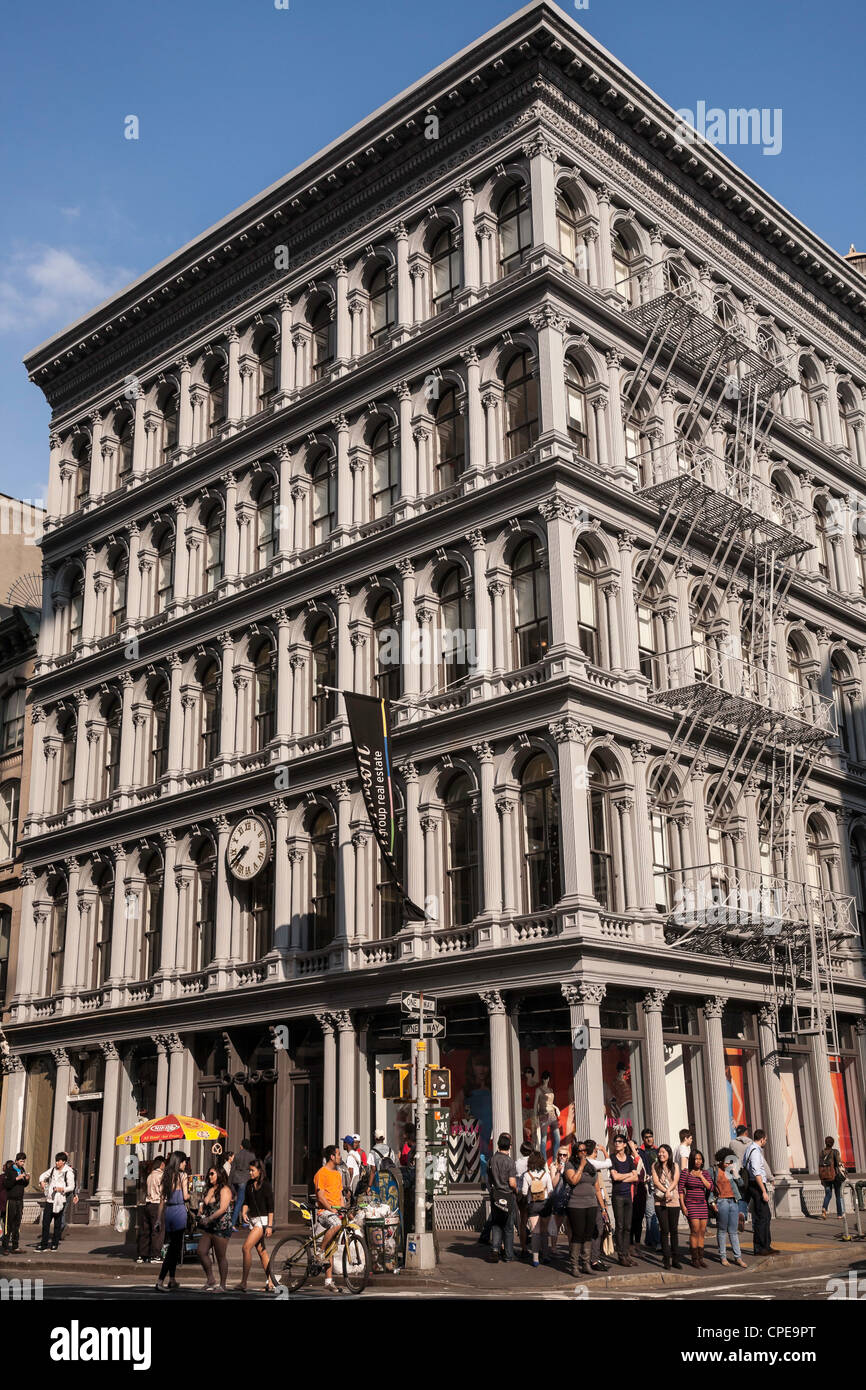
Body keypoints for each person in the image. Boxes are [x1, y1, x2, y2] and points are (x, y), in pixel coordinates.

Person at [564, 1140, 606, 1276]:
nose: (584, 1153)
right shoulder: (570, 1165)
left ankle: (586, 1264)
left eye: (585, 1151)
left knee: (588, 1234)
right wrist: (581, 1167)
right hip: (576, 1204)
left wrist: (603, 1207)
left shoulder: (592, 1166)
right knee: (578, 1235)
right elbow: (573, 1180)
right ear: (576, 1153)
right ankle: (574, 1266)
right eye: (581, 1151)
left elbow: (597, 1188)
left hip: (591, 1204)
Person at [237, 1157, 275, 1292]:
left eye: (252, 1170)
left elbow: (271, 1207)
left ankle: (243, 1282)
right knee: (261, 1251)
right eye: (249, 1170)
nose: (250, 1173)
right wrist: (244, 1212)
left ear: (259, 1170)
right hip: (253, 1220)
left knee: (246, 1247)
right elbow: (246, 1202)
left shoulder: (265, 1185)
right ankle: (271, 1281)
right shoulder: (249, 1184)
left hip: (262, 1221)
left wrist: (269, 1226)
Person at [155, 1151, 189, 1291]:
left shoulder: (167, 1176)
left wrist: (158, 1219)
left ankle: (172, 1279)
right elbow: (186, 1196)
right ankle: (160, 1280)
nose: (185, 1164)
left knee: (173, 1247)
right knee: (174, 1249)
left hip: (168, 1213)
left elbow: (162, 1200)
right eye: (184, 1161)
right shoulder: (183, 1176)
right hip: (179, 1212)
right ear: (179, 1162)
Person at [196, 1163, 233, 1291]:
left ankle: (222, 1285)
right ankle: (211, 1279)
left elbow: (223, 1209)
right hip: (209, 1226)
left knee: (220, 1256)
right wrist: (201, 1209)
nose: (209, 1176)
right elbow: (204, 1202)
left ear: (219, 1175)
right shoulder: (210, 1189)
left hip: (221, 1227)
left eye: (212, 1174)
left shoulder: (225, 1190)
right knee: (201, 1251)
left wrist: (209, 1218)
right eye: (209, 1174)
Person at [313, 1144, 346, 1293]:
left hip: (335, 1212)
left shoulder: (338, 1174)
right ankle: (320, 1251)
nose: (340, 1157)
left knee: (332, 1246)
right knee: (336, 1224)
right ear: (332, 1157)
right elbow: (320, 1196)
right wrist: (330, 1208)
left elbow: (340, 1195)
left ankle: (328, 1281)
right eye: (338, 1154)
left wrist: (345, 1209)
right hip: (324, 1212)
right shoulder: (322, 1173)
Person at [742, 1129, 778, 1255]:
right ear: (762, 1139)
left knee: (764, 1216)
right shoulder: (755, 1152)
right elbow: (757, 1173)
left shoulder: (750, 1149)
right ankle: (761, 1247)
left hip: (754, 1185)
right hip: (757, 1185)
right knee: (763, 1217)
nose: (765, 1142)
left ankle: (765, 1245)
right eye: (765, 1140)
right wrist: (763, 1191)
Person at [678, 1149, 714, 1267]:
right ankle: (694, 1259)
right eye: (696, 1159)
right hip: (691, 1203)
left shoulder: (705, 1173)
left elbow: (710, 1187)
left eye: (700, 1159)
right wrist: (683, 1206)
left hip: (702, 1204)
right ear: (692, 1160)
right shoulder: (686, 1172)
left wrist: (701, 1177)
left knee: (702, 1231)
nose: (698, 1161)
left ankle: (700, 1258)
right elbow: (680, 1189)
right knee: (695, 1229)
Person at [486, 1132, 518, 1264]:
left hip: (495, 1194)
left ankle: (495, 1249)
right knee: (508, 1226)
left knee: (496, 1223)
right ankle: (509, 1254)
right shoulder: (509, 1162)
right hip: (507, 1195)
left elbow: (488, 1179)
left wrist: (492, 1190)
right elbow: (512, 1182)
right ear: (509, 1147)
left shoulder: (492, 1160)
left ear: (498, 1145)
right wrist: (516, 1190)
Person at [609, 1134, 640, 1266]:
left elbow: (636, 1177)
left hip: (628, 1195)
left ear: (624, 1144)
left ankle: (627, 1254)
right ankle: (621, 1255)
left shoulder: (629, 1159)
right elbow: (614, 1177)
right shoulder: (612, 1159)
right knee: (620, 1225)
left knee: (628, 1227)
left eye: (620, 1141)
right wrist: (628, 1175)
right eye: (615, 1141)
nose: (617, 1143)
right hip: (617, 1196)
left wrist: (623, 1177)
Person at [714, 1148, 747, 1268]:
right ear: (721, 1160)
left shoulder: (730, 1171)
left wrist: (736, 1174)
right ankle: (723, 1257)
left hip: (733, 1201)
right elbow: (710, 1188)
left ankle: (738, 1257)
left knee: (733, 1231)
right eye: (726, 1161)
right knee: (722, 1230)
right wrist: (712, 1202)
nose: (728, 1164)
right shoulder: (714, 1171)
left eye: (730, 1161)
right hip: (722, 1201)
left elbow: (742, 1184)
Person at [651, 1143, 682, 1269]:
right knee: (664, 1230)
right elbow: (656, 1181)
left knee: (674, 1230)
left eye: (663, 1152)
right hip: (660, 1201)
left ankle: (675, 1259)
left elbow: (675, 1181)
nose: (661, 1154)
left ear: (669, 1154)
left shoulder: (675, 1165)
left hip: (674, 1201)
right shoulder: (655, 1165)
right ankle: (666, 1259)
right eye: (659, 1152)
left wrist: (669, 1191)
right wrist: (666, 1191)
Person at [520, 1149, 553, 1267]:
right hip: (545, 1204)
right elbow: (550, 1191)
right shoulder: (546, 1175)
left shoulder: (527, 1175)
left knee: (535, 1231)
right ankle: (546, 1255)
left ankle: (535, 1259)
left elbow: (524, 1192)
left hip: (533, 1204)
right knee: (544, 1231)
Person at [36, 1152, 75, 1251]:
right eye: (56, 1161)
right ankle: (44, 1244)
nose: (57, 1163)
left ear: (64, 1162)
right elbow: (42, 1176)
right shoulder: (53, 1170)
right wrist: (42, 1182)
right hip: (50, 1199)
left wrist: (61, 1189)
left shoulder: (68, 1172)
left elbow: (71, 1186)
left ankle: (54, 1244)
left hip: (60, 1200)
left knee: (57, 1223)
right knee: (46, 1222)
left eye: (59, 1161)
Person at [585, 1140, 611, 1272]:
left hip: (585, 1201)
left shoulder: (581, 1163)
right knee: (597, 1229)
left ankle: (590, 1258)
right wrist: (604, 1150)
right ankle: (593, 1259)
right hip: (593, 1201)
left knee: (590, 1231)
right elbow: (609, 1163)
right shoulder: (592, 1163)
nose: (597, 1153)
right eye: (596, 1151)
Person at [137, 1155, 165, 1264]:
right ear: (162, 1164)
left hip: (147, 1204)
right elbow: (162, 1193)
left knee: (146, 1230)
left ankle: (142, 1255)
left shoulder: (149, 1176)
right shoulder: (161, 1176)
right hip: (157, 1204)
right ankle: (155, 1255)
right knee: (157, 1230)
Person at [636, 1128, 660, 1250]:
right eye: (646, 1137)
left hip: (660, 1185)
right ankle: (657, 1241)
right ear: (643, 1139)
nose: (649, 1138)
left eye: (651, 1136)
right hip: (647, 1185)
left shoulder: (658, 1150)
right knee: (651, 1213)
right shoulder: (640, 1152)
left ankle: (649, 1240)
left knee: (655, 1213)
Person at [1, 1153, 29, 1253]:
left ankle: (15, 1246)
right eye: (21, 1161)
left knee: (17, 1223)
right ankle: (5, 1247)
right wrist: (16, 1178)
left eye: (24, 1161)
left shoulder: (22, 1170)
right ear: (16, 1161)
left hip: (19, 1200)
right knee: (8, 1224)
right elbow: (6, 1184)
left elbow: (24, 1185)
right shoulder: (10, 1171)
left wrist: (26, 1180)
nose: (22, 1163)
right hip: (11, 1200)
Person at [534, 1071, 560, 1162]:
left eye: (547, 1078)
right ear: (542, 1079)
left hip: (552, 1115)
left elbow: (551, 1103)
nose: (545, 1080)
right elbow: (535, 1104)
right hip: (543, 1115)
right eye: (544, 1078)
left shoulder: (551, 1090)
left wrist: (556, 1108)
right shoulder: (539, 1090)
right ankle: (544, 1162)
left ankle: (555, 1160)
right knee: (543, 1140)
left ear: (549, 1078)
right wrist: (535, 1118)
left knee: (557, 1138)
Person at [230, 1138, 255, 1230]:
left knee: (240, 1201)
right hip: (245, 1180)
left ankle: (242, 1221)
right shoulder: (251, 1156)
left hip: (236, 1180)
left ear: (242, 1146)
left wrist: (230, 1183)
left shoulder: (237, 1156)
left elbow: (232, 1170)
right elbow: (254, 1169)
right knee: (242, 1201)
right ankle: (233, 1224)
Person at [729, 1124, 751, 1229]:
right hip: (748, 1173)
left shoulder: (732, 1143)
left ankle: (739, 1215)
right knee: (747, 1196)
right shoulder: (751, 1143)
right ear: (746, 1132)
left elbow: (731, 1158)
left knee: (739, 1195)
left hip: (737, 1173)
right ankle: (743, 1214)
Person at [819, 1136, 846, 1219]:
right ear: (833, 1143)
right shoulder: (835, 1152)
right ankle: (839, 1214)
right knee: (838, 1195)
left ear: (825, 1142)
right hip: (835, 1176)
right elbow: (838, 1163)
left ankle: (824, 1208)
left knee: (828, 1194)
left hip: (825, 1177)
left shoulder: (821, 1153)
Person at [515, 1140, 533, 1257]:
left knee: (523, 1221)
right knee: (535, 1220)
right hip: (533, 1193)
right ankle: (537, 1248)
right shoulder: (533, 1162)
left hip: (520, 1193)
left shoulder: (517, 1163)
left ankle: (523, 1248)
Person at [60, 1164, 80, 1239]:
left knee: (62, 1211)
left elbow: (74, 1183)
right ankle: (62, 1227)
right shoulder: (56, 1169)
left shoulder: (72, 1170)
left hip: (66, 1193)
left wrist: (75, 1194)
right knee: (59, 1211)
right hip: (58, 1193)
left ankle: (62, 1228)